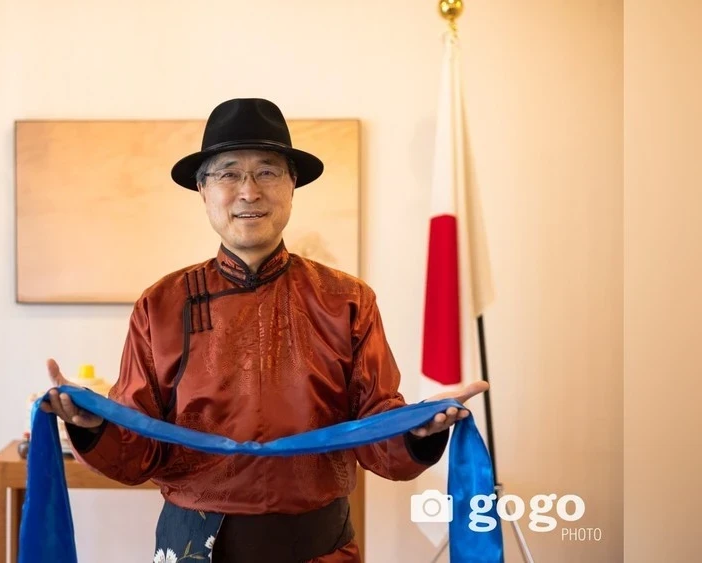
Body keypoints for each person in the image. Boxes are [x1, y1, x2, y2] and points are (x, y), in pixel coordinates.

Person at [40, 98, 489, 562]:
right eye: (229, 174)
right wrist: (94, 425)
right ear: (203, 190)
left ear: (292, 185)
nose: (249, 192)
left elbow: (378, 431)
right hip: (193, 550)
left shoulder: (347, 300)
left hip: (320, 551)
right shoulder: (161, 305)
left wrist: (418, 428)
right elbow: (137, 447)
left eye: (268, 172)